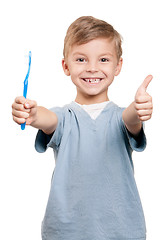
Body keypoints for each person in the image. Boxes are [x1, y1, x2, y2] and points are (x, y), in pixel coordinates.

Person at [12, 16, 153, 240]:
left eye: (104, 59)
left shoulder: (121, 117)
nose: (92, 68)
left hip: (122, 231)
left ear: (118, 66)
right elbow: (47, 119)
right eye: (81, 59)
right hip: (66, 232)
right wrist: (32, 113)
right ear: (66, 66)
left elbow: (131, 119)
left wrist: (138, 108)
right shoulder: (64, 117)